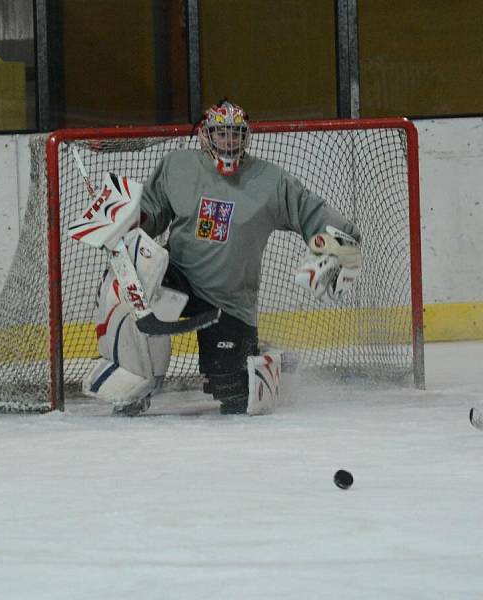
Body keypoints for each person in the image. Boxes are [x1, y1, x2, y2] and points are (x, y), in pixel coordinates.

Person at [82, 99, 361, 416]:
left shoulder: (271, 181)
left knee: (235, 397)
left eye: (236, 134)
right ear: (205, 135)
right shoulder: (179, 166)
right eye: (221, 134)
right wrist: (120, 219)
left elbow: (316, 215)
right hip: (178, 278)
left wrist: (341, 247)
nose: (229, 142)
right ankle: (133, 384)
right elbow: (150, 216)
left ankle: (274, 361)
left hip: (229, 299)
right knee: (132, 281)